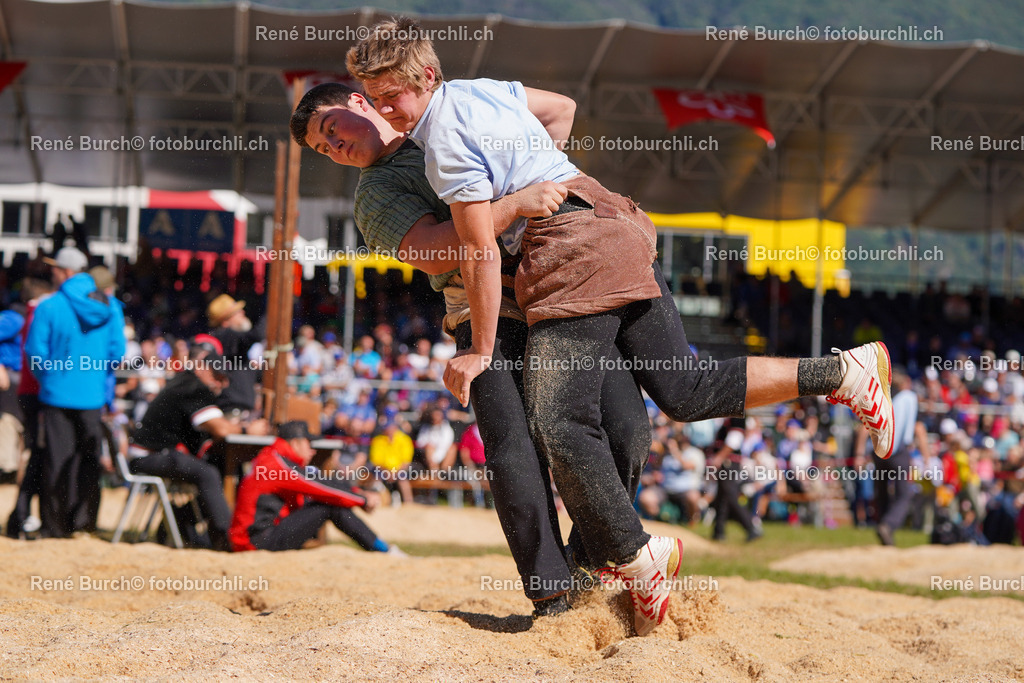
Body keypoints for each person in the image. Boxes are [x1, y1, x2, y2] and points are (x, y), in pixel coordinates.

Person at [343, 18, 895, 635]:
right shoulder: (482, 89)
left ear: (427, 77)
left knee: (559, 422)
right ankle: (845, 371)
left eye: (395, 94)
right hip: (613, 216)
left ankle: (636, 555)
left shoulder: (441, 142)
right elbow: (560, 110)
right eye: (379, 95)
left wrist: (479, 348)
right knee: (684, 389)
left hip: (572, 253)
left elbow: (477, 254)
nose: (392, 108)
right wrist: (541, 177)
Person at [290, 82, 651, 618]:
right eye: (324, 150)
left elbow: (561, 109)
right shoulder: (374, 195)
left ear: (359, 101)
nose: (333, 148)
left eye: (331, 130)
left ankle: (588, 566)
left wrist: (539, 184)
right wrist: (517, 203)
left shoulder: (455, 109)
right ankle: (551, 595)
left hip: (559, 288)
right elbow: (437, 255)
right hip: (482, 318)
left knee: (627, 429)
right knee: (513, 450)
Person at [128, 335, 268, 550]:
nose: (222, 384)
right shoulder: (193, 387)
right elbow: (221, 429)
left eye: (224, 379)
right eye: (217, 377)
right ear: (202, 369)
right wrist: (248, 429)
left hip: (152, 453)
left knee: (218, 469)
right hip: (148, 456)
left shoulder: (188, 381)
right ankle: (226, 537)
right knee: (209, 474)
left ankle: (180, 522)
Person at [24, 247, 124, 538]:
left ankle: (56, 526)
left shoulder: (49, 306)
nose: (51, 273)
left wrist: (51, 379)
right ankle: (85, 523)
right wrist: (94, 374)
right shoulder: (111, 306)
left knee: (56, 460)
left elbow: (35, 353)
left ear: (65, 272)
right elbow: (117, 352)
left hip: (56, 394)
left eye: (54, 268)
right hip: (92, 395)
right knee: (88, 460)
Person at [229, 420, 402, 554]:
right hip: (255, 544)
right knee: (328, 505)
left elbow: (320, 482)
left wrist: (358, 493)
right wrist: (362, 499)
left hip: (254, 538)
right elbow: (321, 487)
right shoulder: (277, 464)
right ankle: (383, 550)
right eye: (309, 445)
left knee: (327, 502)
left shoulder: (272, 458)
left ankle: (383, 548)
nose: (313, 451)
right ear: (295, 443)